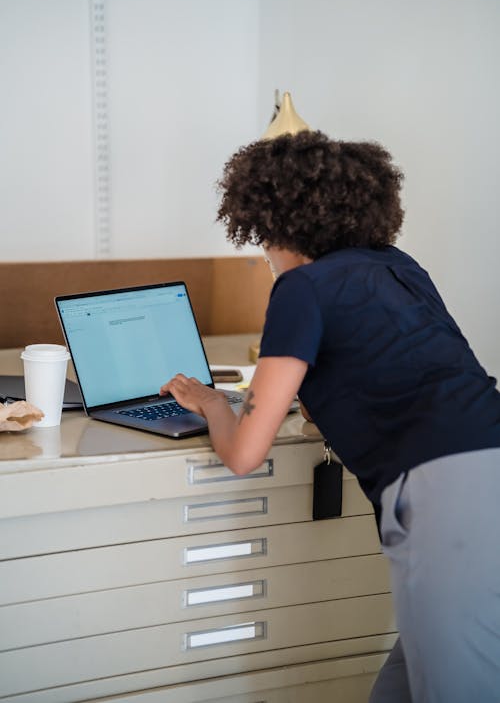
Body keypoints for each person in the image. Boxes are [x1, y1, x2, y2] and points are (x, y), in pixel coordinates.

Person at [160, 130, 500, 702]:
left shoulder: (301, 288)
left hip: (448, 502)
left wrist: (216, 402)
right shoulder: (399, 266)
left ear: (273, 221)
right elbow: (376, 375)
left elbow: (245, 454)